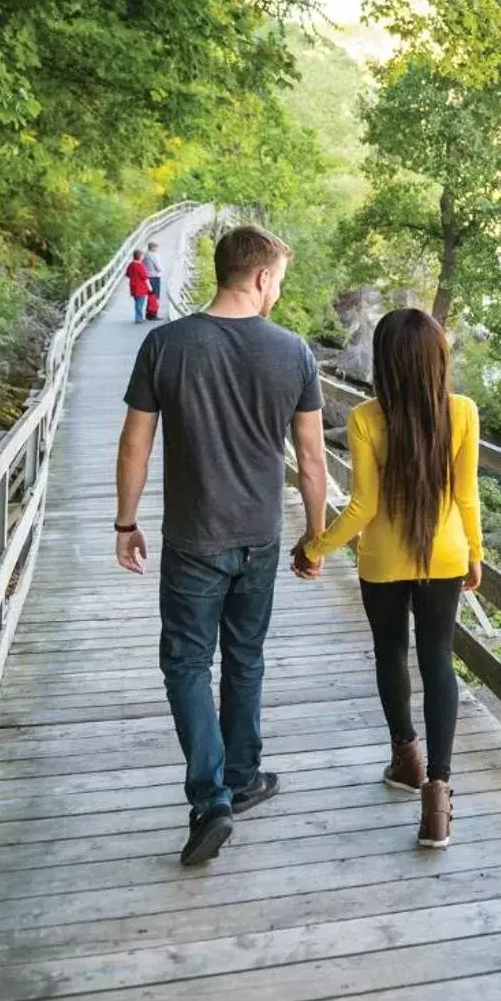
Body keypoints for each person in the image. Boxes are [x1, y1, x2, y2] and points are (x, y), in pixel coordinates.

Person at [115, 225, 329, 866]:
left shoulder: (166, 345)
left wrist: (126, 524)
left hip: (192, 538)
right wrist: (315, 539)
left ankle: (211, 798)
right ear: (262, 277)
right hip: (260, 537)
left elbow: (134, 443)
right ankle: (242, 776)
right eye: (280, 281)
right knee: (245, 658)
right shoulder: (294, 353)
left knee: (185, 664)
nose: (279, 292)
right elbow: (313, 462)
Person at [293, 308, 480, 849]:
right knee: (438, 660)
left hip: (381, 563)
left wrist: (314, 546)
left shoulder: (366, 419)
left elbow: (362, 507)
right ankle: (438, 801)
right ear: (437, 360)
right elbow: (467, 495)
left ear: (386, 363)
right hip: (445, 556)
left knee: (391, 653)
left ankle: (406, 760)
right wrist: (475, 552)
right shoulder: (463, 412)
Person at [124, 248, 151, 322]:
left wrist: (133, 278)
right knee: (140, 303)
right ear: (139, 256)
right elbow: (145, 277)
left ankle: (139, 317)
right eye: (142, 256)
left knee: (137, 302)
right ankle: (138, 318)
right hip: (141, 287)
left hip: (133, 286)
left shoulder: (131, 264)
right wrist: (150, 287)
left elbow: (127, 274)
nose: (143, 257)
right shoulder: (140, 265)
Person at [143, 239, 165, 320]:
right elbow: (158, 267)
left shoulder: (145, 255)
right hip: (154, 277)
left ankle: (148, 313)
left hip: (148, 277)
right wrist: (162, 270)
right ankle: (153, 314)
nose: (156, 249)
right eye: (156, 247)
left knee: (150, 296)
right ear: (152, 247)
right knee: (155, 296)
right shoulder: (153, 256)